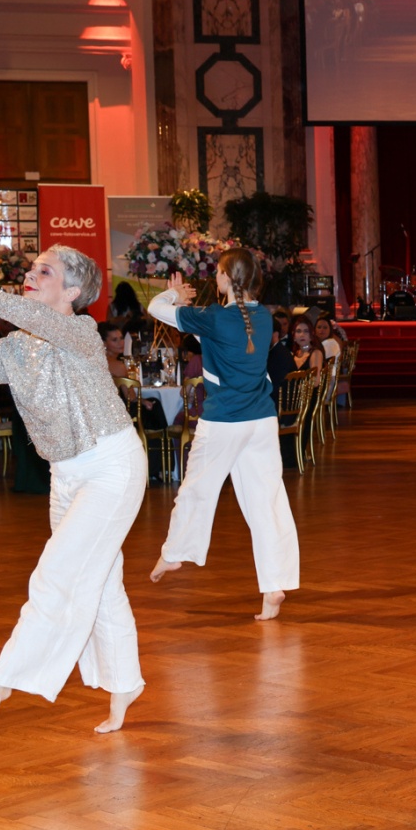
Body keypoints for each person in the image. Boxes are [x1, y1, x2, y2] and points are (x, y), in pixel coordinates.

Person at [0, 248, 147, 734]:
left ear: (73, 291)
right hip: (65, 476)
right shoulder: (15, 347)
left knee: (57, 573)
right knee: (101, 584)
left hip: (112, 467)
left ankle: (3, 678)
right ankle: (124, 682)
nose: (31, 274)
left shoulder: (80, 332)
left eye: (45, 271)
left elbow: (33, 317)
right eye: (32, 268)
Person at [146, 251, 300, 621]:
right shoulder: (262, 316)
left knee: (196, 490)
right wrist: (186, 308)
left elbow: (154, 308)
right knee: (267, 502)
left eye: (217, 272)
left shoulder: (214, 317)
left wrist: (173, 296)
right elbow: (216, 334)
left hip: (224, 421)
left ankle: (175, 552)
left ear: (227, 277)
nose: (215, 277)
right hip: (261, 420)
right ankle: (275, 584)